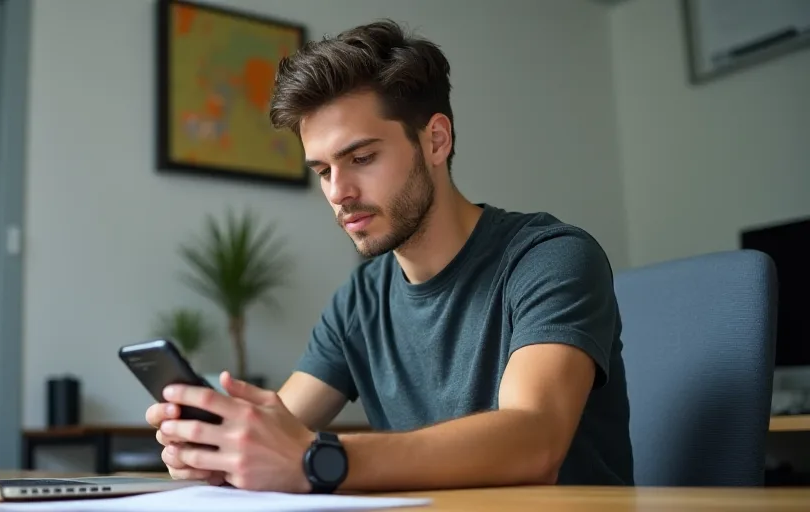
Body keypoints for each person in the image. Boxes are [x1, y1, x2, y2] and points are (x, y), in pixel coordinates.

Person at [145, 19, 634, 493]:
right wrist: (219, 450)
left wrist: (320, 459)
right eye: (322, 170)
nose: (339, 192)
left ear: (435, 141)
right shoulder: (361, 299)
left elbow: (534, 441)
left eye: (361, 159)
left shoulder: (550, 258)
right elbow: (283, 427)